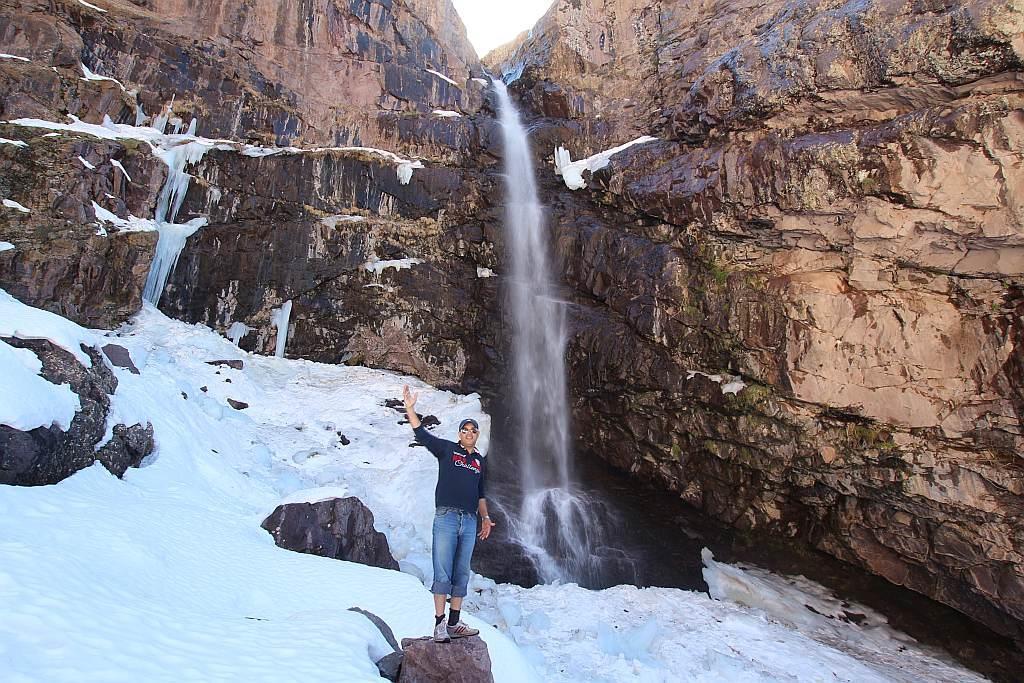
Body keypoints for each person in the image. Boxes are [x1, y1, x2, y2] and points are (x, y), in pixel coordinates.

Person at [403, 384, 496, 643]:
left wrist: (486, 518)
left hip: (469, 520)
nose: (469, 433)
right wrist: (410, 409)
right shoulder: (447, 450)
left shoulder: (479, 461)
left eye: (473, 430)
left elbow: (480, 493)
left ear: (477, 435)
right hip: (446, 517)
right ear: (459, 434)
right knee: (442, 569)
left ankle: (455, 623)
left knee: (461, 571)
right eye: (465, 430)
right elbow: (422, 436)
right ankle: (439, 623)